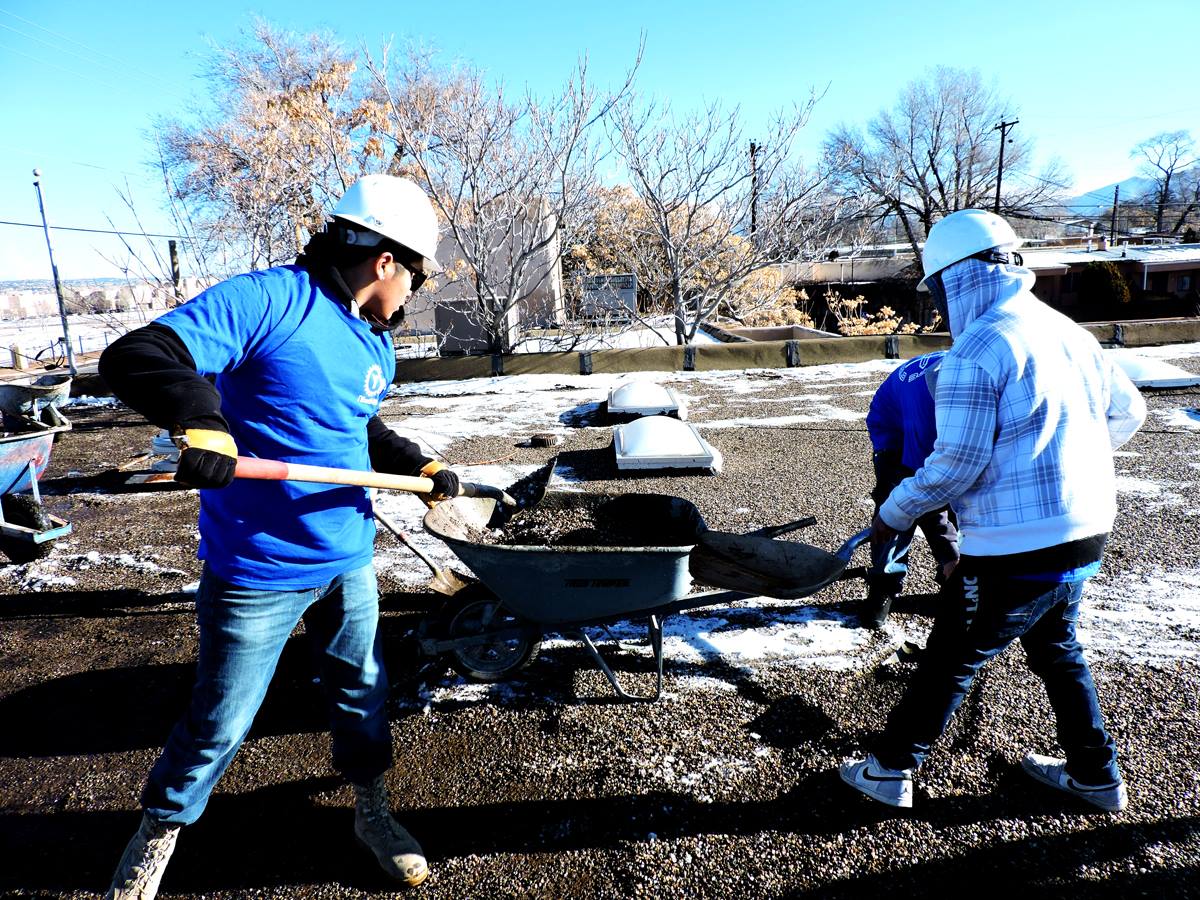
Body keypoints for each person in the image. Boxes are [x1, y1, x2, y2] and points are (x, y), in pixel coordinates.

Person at [98, 175, 459, 898]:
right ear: (385, 261)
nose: (413, 294)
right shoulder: (271, 302)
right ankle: (151, 851)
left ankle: (373, 814)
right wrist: (200, 418)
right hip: (258, 569)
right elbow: (138, 356)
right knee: (219, 720)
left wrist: (414, 459)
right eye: (416, 277)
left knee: (363, 692)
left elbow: (356, 424)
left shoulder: (373, 345)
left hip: (348, 559)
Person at [838, 209, 1146, 813]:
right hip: (1085, 532)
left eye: (938, 292)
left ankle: (890, 770)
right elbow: (1128, 413)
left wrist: (894, 512)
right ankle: (1095, 775)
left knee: (951, 657)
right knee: (1059, 651)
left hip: (1017, 546)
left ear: (957, 280)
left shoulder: (977, 350)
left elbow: (956, 466)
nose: (940, 308)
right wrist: (1061, 462)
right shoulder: (1068, 331)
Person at [862, 350, 959, 629]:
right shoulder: (926, 415)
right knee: (895, 506)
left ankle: (954, 576)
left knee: (959, 500)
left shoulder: (975, 390)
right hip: (894, 428)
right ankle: (884, 585)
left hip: (921, 411)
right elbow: (923, 487)